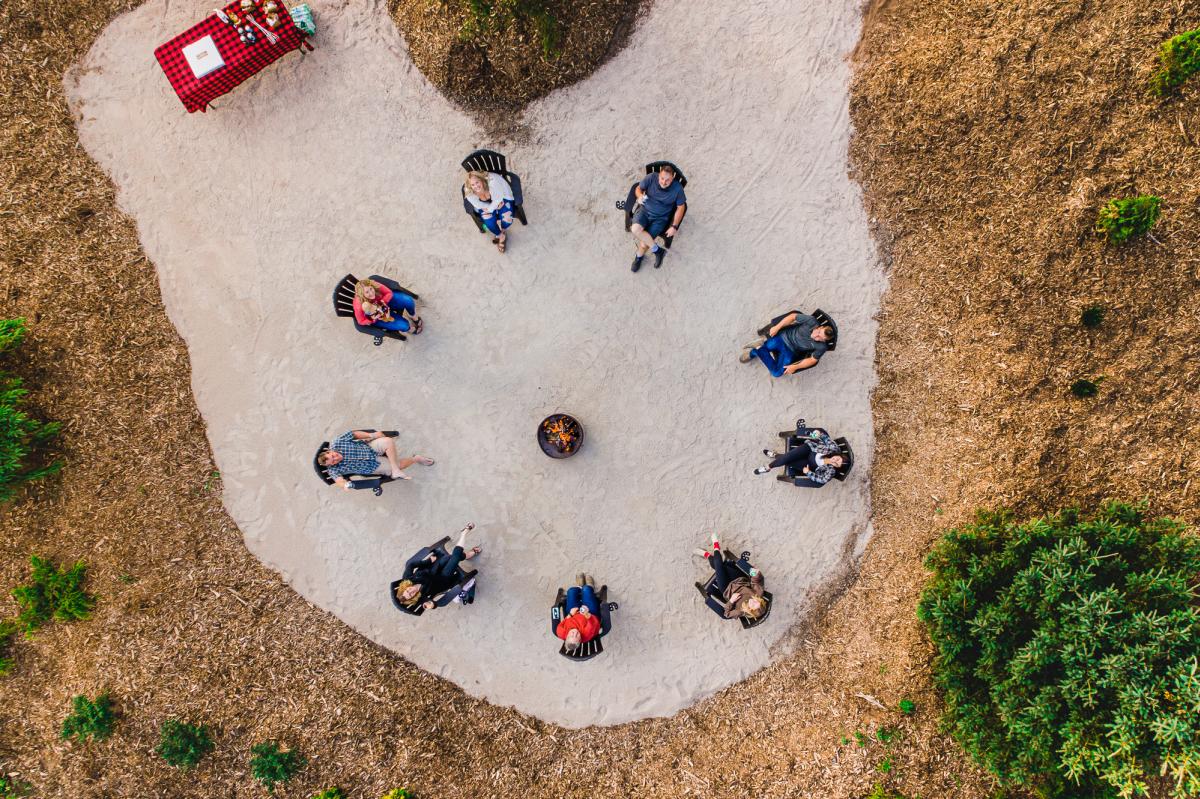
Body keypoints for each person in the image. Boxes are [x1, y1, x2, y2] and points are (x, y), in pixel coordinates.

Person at [393, 523, 481, 612]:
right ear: (413, 598)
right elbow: (433, 603)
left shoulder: (407, 579)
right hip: (443, 578)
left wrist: (428, 561)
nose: (411, 591)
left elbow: (410, 565)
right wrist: (431, 605)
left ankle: (467, 554)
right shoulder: (420, 597)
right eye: (411, 595)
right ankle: (464, 533)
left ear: (405, 588)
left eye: (408, 591)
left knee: (450, 558)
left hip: (435, 567)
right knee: (454, 559)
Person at [317, 430, 434, 490]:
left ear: (329, 451)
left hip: (369, 448)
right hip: (371, 466)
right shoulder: (333, 469)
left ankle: (394, 469)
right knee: (400, 466)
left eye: (333, 456)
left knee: (387, 441)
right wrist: (345, 485)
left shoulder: (337, 442)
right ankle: (416, 458)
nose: (336, 459)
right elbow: (339, 481)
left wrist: (371, 435)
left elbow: (354, 434)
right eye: (333, 462)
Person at [693, 535, 767, 621]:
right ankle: (709, 554)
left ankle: (714, 549)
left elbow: (726, 614)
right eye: (757, 601)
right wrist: (755, 573)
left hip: (726, 589)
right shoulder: (758, 594)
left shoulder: (741, 611)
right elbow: (759, 580)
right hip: (737, 579)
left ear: (751, 611)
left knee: (719, 566)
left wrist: (731, 601)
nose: (754, 601)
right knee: (720, 566)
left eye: (754, 605)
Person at [629, 164, 687, 272]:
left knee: (644, 243)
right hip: (645, 211)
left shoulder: (677, 189)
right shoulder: (651, 177)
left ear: (673, 178)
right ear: (659, 175)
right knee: (635, 229)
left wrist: (674, 226)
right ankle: (657, 250)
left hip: (660, 219)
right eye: (662, 178)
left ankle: (638, 257)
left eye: (667, 180)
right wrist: (640, 196)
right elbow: (638, 188)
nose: (664, 182)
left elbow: (681, 207)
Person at [740, 312, 834, 377]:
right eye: (818, 332)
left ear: (823, 340)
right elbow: (792, 316)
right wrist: (777, 327)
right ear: (820, 327)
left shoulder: (822, 347)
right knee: (769, 346)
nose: (816, 336)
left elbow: (813, 360)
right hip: (782, 338)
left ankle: (758, 347)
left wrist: (796, 366)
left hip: (791, 351)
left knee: (777, 373)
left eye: (820, 338)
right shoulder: (811, 321)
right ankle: (753, 352)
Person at [754, 425, 844, 486]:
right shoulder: (834, 448)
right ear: (839, 455)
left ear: (837, 467)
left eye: (836, 464)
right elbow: (825, 438)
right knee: (788, 456)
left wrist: (808, 472)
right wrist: (818, 433)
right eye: (838, 459)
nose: (834, 461)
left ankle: (775, 455)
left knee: (788, 461)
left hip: (809, 465)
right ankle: (768, 467)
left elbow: (822, 480)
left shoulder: (831, 471)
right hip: (810, 449)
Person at [465, 170, 516, 253]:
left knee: (507, 220)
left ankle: (503, 229)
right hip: (487, 203)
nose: (476, 186)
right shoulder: (468, 190)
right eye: (473, 184)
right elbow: (478, 205)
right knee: (489, 222)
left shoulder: (492, 182)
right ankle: (500, 235)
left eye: (477, 182)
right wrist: (490, 208)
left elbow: (498, 199)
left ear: (481, 179)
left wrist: (492, 208)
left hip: (502, 195)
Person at [354, 277, 421, 335]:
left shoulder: (374, 284)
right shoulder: (359, 305)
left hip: (385, 302)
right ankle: (408, 329)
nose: (371, 293)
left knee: (408, 300)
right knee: (404, 325)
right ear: (362, 294)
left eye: (371, 289)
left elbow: (389, 292)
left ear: (371, 285)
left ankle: (412, 315)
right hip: (377, 316)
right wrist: (373, 319)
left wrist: (382, 303)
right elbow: (361, 321)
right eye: (367, 292)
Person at [556, 573, 602, 653]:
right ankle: (590, 586)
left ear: (566, 636)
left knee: (571, 591)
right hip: (591, 615)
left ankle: (579, 586)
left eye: (571, 635)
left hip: (573, 614)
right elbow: (592, 622)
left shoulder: (560, 632)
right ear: (580, 639)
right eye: (577, 636)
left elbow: (561, 624)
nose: (575, 633)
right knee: (586, 589)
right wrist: (586, 613)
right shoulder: (587, 634)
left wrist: (570, 614)